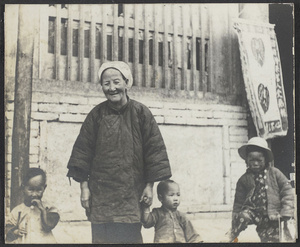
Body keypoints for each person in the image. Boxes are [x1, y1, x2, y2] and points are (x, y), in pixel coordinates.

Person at [66, 61, 172, 244]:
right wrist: (84, 188)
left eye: (116, 82)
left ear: (126, 83)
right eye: (106, 84)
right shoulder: (96, 115)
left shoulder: (141, 113)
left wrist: (149, 185)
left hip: (131, 193)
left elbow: (154, 151)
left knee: (130, 238)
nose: (112, 88)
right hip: (101, 195)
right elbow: (82, 152)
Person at [228, 137, 294, 242]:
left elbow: (287, 191)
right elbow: (238, 203)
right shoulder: (243, 180)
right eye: (252, 160)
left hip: (272, 215)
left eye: (259, 160)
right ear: (246, 160)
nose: (255, 163)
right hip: (252, 213)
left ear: (266, 159)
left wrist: (286, 211)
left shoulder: (275, 173)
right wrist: (234, 224)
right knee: (242, 216)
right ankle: (232, 236)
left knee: (270, 240)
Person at [6, 168, 60, 243]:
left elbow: (49, 225)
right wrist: (16, 231)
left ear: (44, 188)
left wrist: (42, 210)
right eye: (30, 189)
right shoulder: (18, 210)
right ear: (23, 188)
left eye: (39, 190)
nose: (34, 194)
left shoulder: (49, 209)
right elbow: (8, 227)